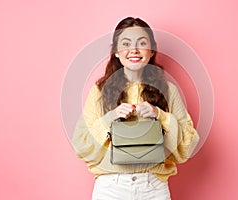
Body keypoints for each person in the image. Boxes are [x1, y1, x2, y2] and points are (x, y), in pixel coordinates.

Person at [72, 17, 200, 200]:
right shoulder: (100, 91)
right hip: (111, 188)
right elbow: (82, 145)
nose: (134, 49)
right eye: (126, 43)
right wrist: (110, 118)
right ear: (116, 51)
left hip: (153, 187)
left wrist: (160, 116)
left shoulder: (168, 90)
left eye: (141, 43)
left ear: (151, 50)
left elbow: (187, 148)